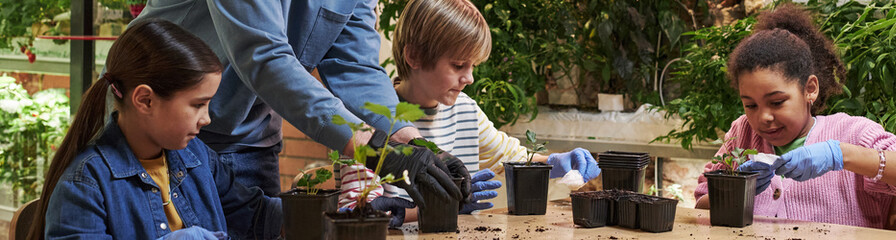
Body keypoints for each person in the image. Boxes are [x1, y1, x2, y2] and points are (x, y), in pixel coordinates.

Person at [129, 0, 464, 208]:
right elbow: (263, 55)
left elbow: (356, 66)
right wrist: (371, 145)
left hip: (250, 140)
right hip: (162, 127)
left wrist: (412, 144)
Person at [338, 0, 602, 226]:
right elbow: (354, 212)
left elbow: (512, 157)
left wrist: (557, 163)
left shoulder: (465, 111)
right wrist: (435, 207)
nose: (470, 77)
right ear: (414, 56)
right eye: (458, 65)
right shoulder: (369, 120)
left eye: (473, 65)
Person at [693, 5, 896, 229]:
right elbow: (702, 202)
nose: (763, 117)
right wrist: (735, 192)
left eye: (777, 102)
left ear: (810, 89)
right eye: (750, 105)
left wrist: (841, 155)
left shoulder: (852, 132)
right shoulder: (742, 132)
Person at [29, 19, 281, 239]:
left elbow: (255, 216)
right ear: (145, 100)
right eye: (198, 105)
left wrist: (314, 199)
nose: (206, 119)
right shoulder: (84, 185)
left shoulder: (198, 156)